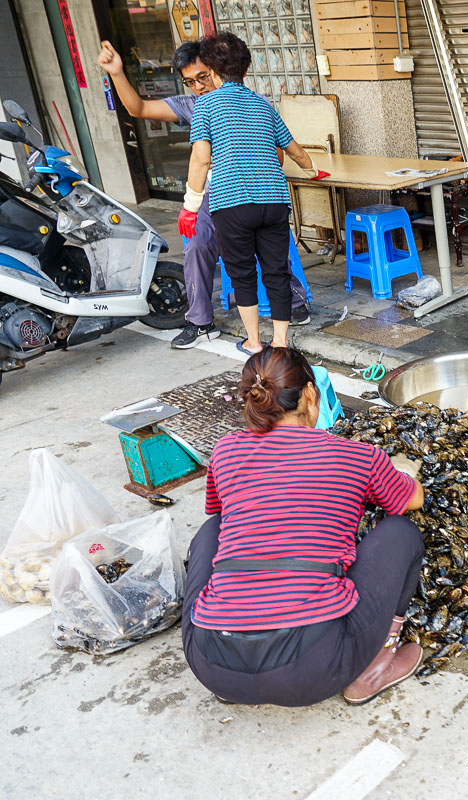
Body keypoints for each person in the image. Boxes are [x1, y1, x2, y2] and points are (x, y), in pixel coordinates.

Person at [182, 347, 427, 706]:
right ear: (311, 395)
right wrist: (403, 473)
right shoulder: (358, 456)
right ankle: (376, 664)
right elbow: (411, 500)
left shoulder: (225, 450)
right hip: (310, 670)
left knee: (212, 528)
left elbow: (220, 512)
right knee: (401, 533)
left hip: (212, 665)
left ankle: (237, 675)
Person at [96, 40, 312, 350]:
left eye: (203, 76)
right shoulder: (192, 105)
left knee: (266, 253)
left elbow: (277, 155)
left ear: (217, 70)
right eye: (190, 81)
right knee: (197, 244)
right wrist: (116, 73)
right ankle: (200, 321)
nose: (198, 86)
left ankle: (289, 304)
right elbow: (138, 109)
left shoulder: (251, 102)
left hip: (242, 191)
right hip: (211, 196)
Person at [180, 32, 328, 355]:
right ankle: (281, 341)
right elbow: (293, 150)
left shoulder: (205, 106)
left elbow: (201, 159)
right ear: (245, 70)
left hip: (232, 204)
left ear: (214, 73)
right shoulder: (264, 105)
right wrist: (313, 170)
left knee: (242, 273)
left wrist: (190, 206)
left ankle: (254, 342)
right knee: (276, 270)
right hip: (274, 201)